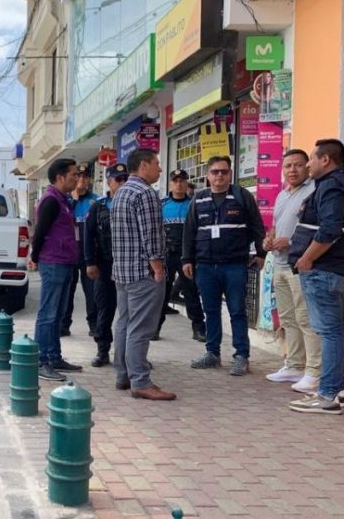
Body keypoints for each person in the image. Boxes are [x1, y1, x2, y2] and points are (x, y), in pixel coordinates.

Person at [288, 139, 344, 415]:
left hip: (324, 270)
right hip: (342, 269)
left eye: (311, 158)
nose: (308, 164)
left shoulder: (331, 185)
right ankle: (337, 390)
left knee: (330, 332)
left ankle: (327, 395)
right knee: (336, 331)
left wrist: (306, 259)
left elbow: (330, 229)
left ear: (326, 160)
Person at [182, 156, 266, 376]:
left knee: (237, 311)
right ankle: (212, 353)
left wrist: (261, 253)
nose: (219, 175)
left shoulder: (241, 196)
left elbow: (257, 226)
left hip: (235, 265)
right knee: (211, 311)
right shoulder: (198, 199)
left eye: (224, 171)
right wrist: (187, 259)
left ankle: (241, 356)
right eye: (215, 171)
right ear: (207, 175)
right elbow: (189, 231)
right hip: (206, 266)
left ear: (230, 174)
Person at [110, 150, 175, 400]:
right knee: (140, 328)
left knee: (124, 323)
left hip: (123, 272)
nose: (160, 169)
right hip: (142, 272)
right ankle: (140, 381)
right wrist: (157, 267)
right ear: (144, 165)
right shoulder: (145, 193)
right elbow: (151, 235)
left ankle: (123, 374)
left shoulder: (121, 192)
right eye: (157, 164)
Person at [263, 150, 322, 394]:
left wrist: (291, 241)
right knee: (288, 318)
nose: (292, 170)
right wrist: (270, 239)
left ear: (308, 167)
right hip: (279, 264)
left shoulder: (314, 191)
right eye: (287, 166)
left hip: (300, 264)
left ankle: (314, 371)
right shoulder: (282, 195)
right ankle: (294, 365)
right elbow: (276, 226)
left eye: (298, 165)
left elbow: (320, 228)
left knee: (306, 318)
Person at [30, 157, 83, 381]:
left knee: (58, 314)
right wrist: (35, 257)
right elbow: (40, 232)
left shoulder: (63, 200)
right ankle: (40, 361)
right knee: (48, 314)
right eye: (73, 174)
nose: (77, 178)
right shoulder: (51, 201)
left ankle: (54, 356)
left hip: (65, 261)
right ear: (60, 177)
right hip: (53, 262)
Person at [84, 164, 127, 367]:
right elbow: (88, 236)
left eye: (125, 179)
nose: (123, 183)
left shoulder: (133, 203)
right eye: (118, 179)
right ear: (109, 182)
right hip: (105, 264)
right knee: (104, 308)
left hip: (128, 265)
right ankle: (102, 350)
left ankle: (131, 353)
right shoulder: (98, 206)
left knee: (132, 311)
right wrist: (90, 262)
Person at [156, 169, 206, 342]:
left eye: (182, 181)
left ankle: (198, 328)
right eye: (175, 181)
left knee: (192, 293)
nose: (178, 184)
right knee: (162, 293)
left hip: (188, 256)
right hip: (167, 255)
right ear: (170, 184)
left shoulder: (194, 204)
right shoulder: (161, 204)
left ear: (186, 183)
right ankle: (155, 328)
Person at [60, 166, 98, 337]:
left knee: (92, 292)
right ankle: (64, 324)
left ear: (89, 179)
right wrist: (74, 200)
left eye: (85, 176)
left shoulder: (95, 201)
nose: (81, 179)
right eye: (78, 176)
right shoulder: (65, 200)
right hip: (69, 253)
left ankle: (94, 325)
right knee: (68, 291)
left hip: (88, 254)